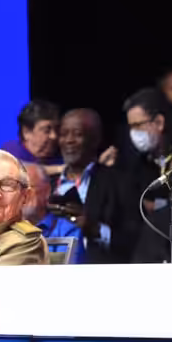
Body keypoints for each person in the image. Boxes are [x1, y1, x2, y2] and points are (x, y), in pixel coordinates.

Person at [46, 109, 133, 264]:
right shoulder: (47, 184)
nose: (69, 140)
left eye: (77, 134)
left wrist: (95, 229)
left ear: (95, 139)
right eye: (64, 134)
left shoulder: (119, 182)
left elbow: (134, 239)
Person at [1, 100, 63, 168]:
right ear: (26, 132)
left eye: (57, 129)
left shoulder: (62, 154)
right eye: (47, 130)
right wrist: (59, 169)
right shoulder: (9, 152)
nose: (54, 136)